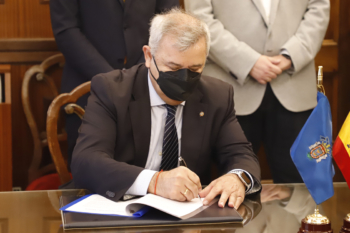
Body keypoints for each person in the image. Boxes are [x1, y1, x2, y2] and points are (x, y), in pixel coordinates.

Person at [71, 9, 261, 209]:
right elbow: (86, 161)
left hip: (188, 220)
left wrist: (238, 178)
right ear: (148, 56)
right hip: (119, 214)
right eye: (173, 68)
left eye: (194, 69)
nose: (184, 79)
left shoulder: (217, 96)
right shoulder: (112, 90)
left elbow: (241, 154)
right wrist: (155, 181)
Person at [185, 0, 330, 183]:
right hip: (230, 89)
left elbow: (318, 8)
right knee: (228, 181)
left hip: (294, 86)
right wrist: (248, 62)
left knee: (299, 183)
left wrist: (291, 55)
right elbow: (200, 18)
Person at [50, 0, 179, 165]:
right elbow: (66, 30)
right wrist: (114, 79)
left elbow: (170, 22)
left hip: (149, 85)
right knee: (90, 172)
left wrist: (140, 71)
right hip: (87, 88)